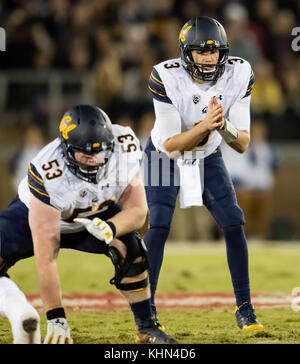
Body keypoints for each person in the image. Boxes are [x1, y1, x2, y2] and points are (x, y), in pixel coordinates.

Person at [0, 105, 176, 344]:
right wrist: (56, 317)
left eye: (99, 152)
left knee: (132, 249)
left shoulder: (124, 145)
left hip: (97, 214)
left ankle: (147, 327)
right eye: (84, 153)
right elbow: (46, 257)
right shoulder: (47, 170)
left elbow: (138, 210)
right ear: (66, 150)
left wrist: (111, 227)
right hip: (36, 216)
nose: (93, 160)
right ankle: (16, 307)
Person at [144, 16, 264, 331]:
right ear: (186, 53)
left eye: (213, 51)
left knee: (234, 221)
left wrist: (222, 125)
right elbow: (171, 147)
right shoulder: (166, 76)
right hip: (162, 154)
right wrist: (204, 126)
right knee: (158, 224)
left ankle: (245, 309)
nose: (208, 58)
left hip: (208, 153)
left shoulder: (239, 73)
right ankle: (147, 313)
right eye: (200, 51)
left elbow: (242, 144)